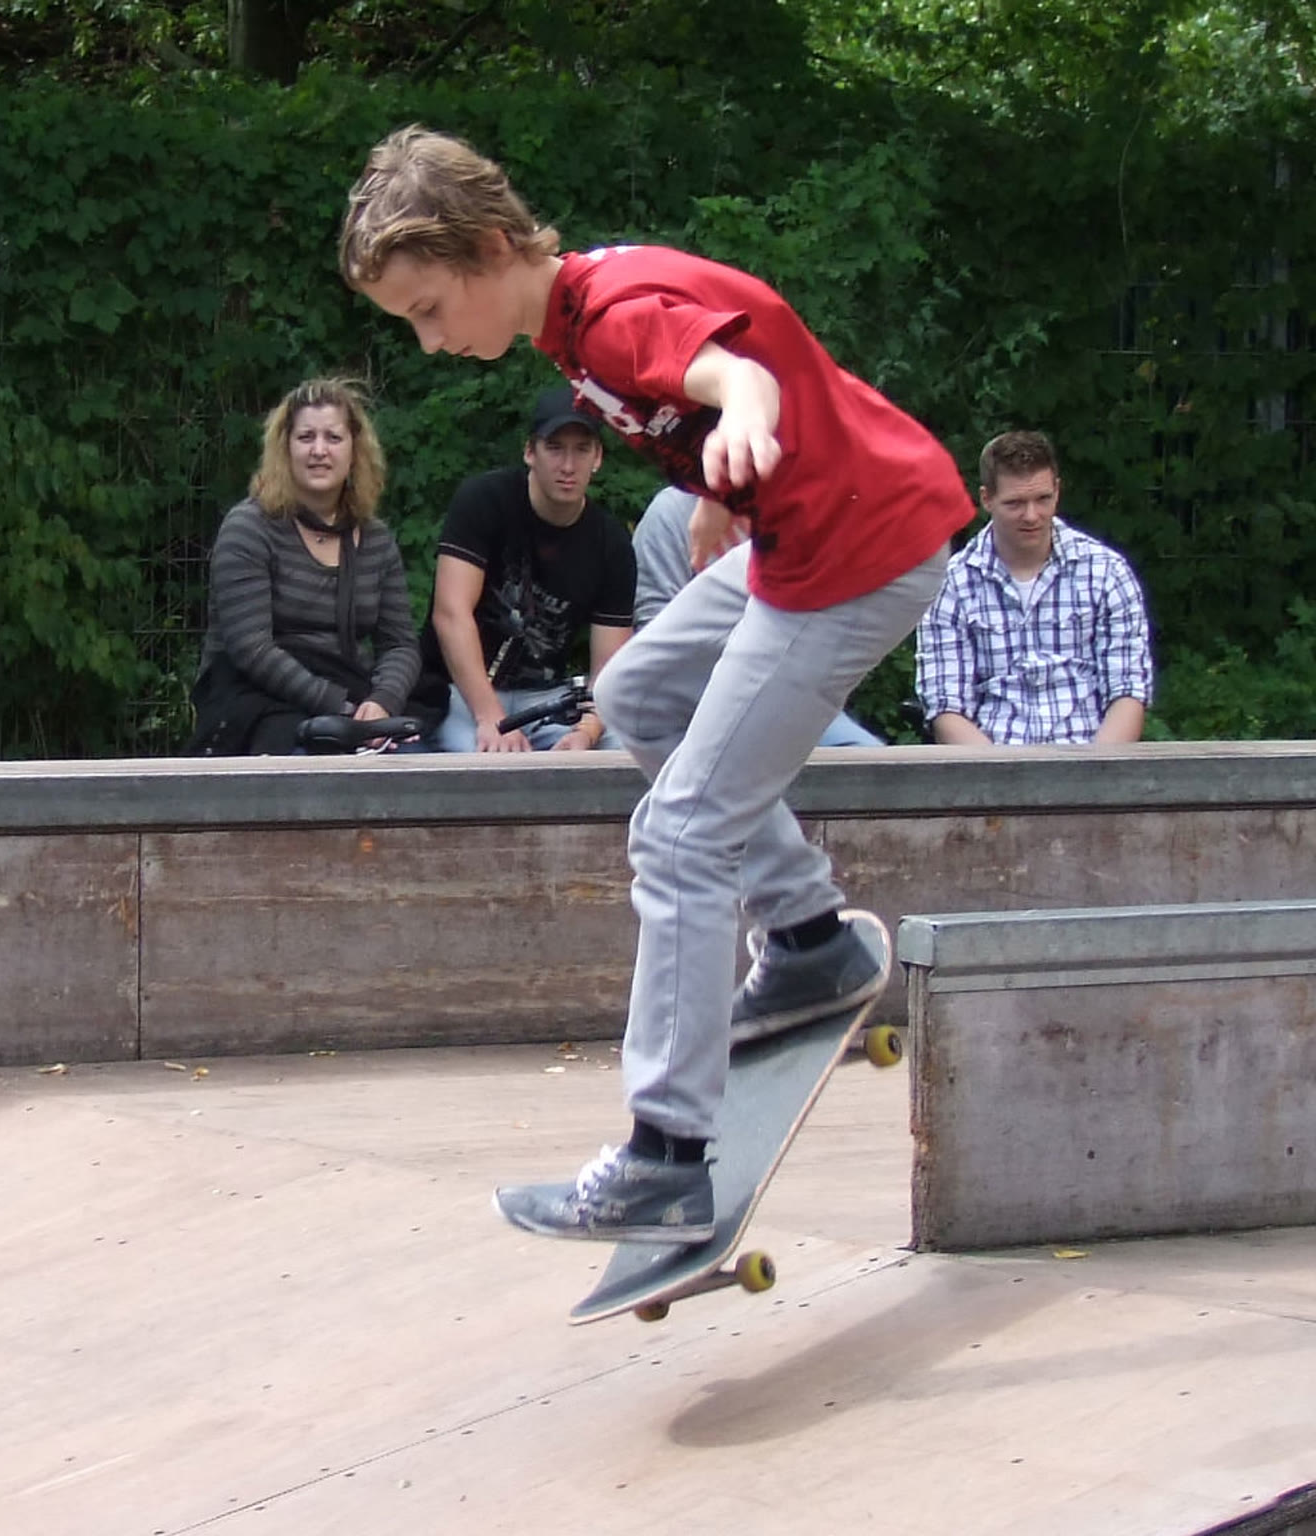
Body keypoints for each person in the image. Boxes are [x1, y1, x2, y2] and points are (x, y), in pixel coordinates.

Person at [339, 125, 973, 1242]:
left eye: (428, 309)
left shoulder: (612, 316)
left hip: (854, 552)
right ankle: (808, 939)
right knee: (633, 695)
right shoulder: (573, 314)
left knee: (680, 834)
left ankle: (664, 1157)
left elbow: (734, 371)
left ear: (488, 247)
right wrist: (721, 484)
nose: (429, 341)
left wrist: (745, 419)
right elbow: (736, 347)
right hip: (806, 534)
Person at [187, 377, 420, 755]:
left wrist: (381, 704)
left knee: (416, 761)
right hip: (258, 702)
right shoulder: (248, 528)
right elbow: (252, 649)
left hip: (353, 696)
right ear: (285, 448)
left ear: (355, 450)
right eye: (306, 437)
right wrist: (342, 710)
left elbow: (400, 644)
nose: (319, 450)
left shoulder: (376, 539)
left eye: (333, 437)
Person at [422, 385, 635, 752]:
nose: (567, 466)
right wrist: (490, 716)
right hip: (462, 692)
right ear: (529, 452)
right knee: (484, 761)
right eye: (554, 448)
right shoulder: (483, 501)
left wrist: (586, 732)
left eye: (581, 450)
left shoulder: (612, 544)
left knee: (626, 749)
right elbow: (450, 614)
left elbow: (609, 668)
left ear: (598, 457)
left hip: (549, 699)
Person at [916, 430, 1153, 745]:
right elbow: (946, 707)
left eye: (1043, 499)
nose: (1031, 516)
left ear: (1057, 491)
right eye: (1015, 503)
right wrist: (1002, 773)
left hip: (1090, 755)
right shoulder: (952, 584)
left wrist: (1096, 770)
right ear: (986, 499)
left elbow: (1128, 692)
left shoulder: (1107, 572)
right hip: (989, 760)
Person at [636, 487, 883, 746]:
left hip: (793, 705)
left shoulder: (804, 509)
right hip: (689, 709)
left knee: (869, 758)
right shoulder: (673, 512)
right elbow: (655, 635)